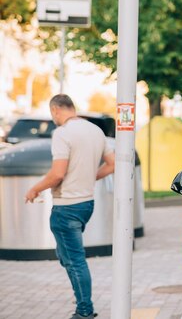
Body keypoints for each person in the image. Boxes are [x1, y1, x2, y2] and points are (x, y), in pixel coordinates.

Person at [24, 94, 115, 319]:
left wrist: (34, 189)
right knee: (66, 255)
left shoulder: (62, 133)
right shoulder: (95, 130)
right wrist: (88, 176)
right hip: (86, 204)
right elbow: (112, 165)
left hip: (67, 207)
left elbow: (57, 174)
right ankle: (81, 293)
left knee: (74, 261)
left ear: (55, 110)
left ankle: (84, 310)